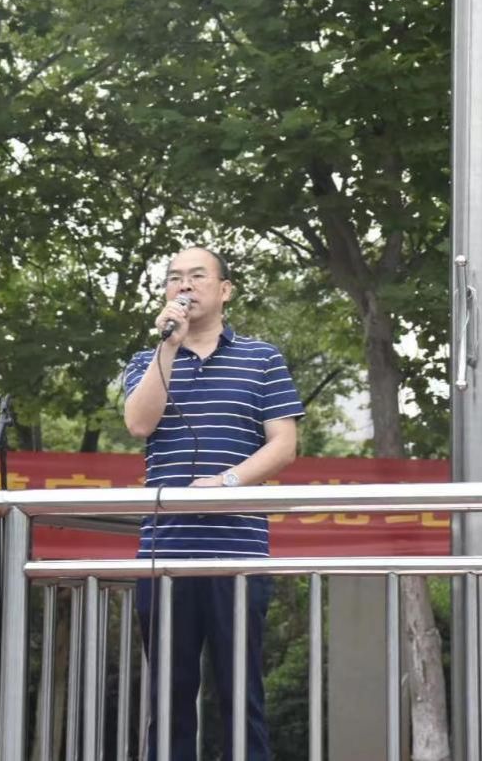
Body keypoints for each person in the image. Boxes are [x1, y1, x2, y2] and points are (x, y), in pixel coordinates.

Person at [122, 246, 304, 761]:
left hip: (238, 551)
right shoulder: (146, 361)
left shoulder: (262, 358)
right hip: (164, 551)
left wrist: (227, 482)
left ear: (225, 290)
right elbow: (139, 424)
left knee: (240, 693)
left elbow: (284, 445)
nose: (185, 285)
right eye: (174, 277)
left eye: (197, 276)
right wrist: (168, 347)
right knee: (169, 696)